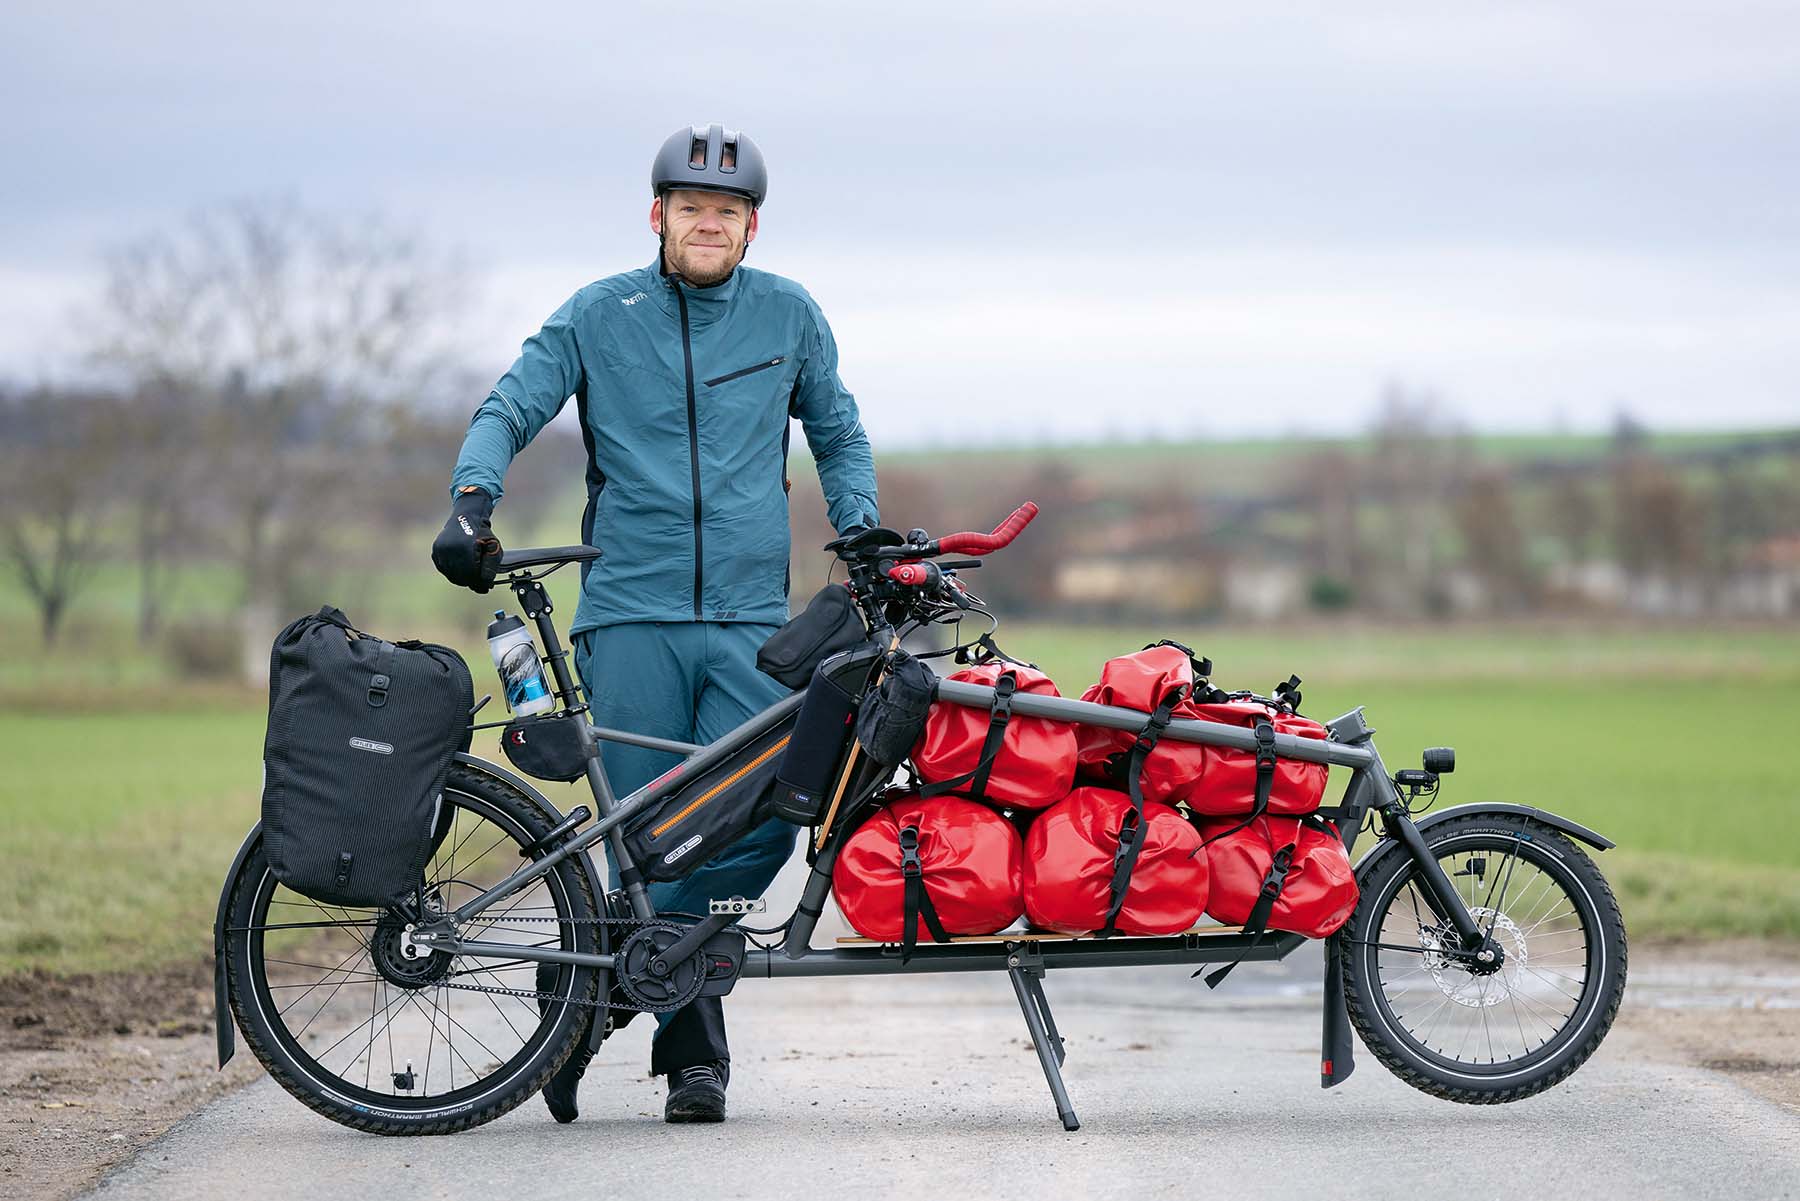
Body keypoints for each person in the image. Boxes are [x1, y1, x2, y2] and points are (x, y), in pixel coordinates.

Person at [431, 123, 878, 1124]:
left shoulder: (789, 314)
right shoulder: (600, 313)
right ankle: (694, 1060)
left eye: (726, 211)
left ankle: (587, 1006)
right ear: (657, 216)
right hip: (631, 611)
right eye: (691, 208)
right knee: (642, 843)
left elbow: (840, 434)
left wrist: (862, 535)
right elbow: (510, 405)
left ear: (751, 227)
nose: (708, 223)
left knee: (764, 821)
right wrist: (471, 499)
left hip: (751, 620)